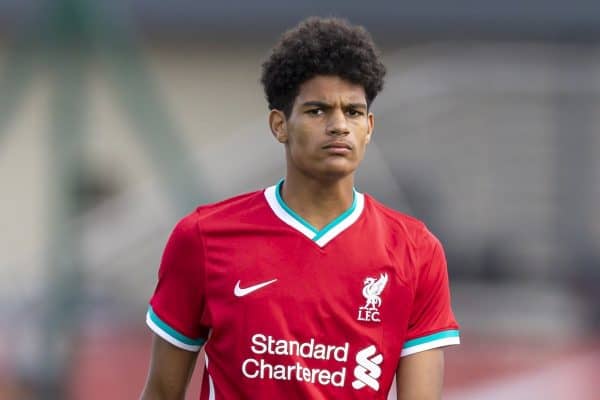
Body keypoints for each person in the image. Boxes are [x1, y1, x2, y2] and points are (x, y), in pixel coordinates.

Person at [140, 17, 459, 400]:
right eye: (317, 111)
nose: (339, 125)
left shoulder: (416, 251)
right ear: (280, 125)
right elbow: (161, 392)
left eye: (353, 112)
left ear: (370, 127)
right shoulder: (203, 237)